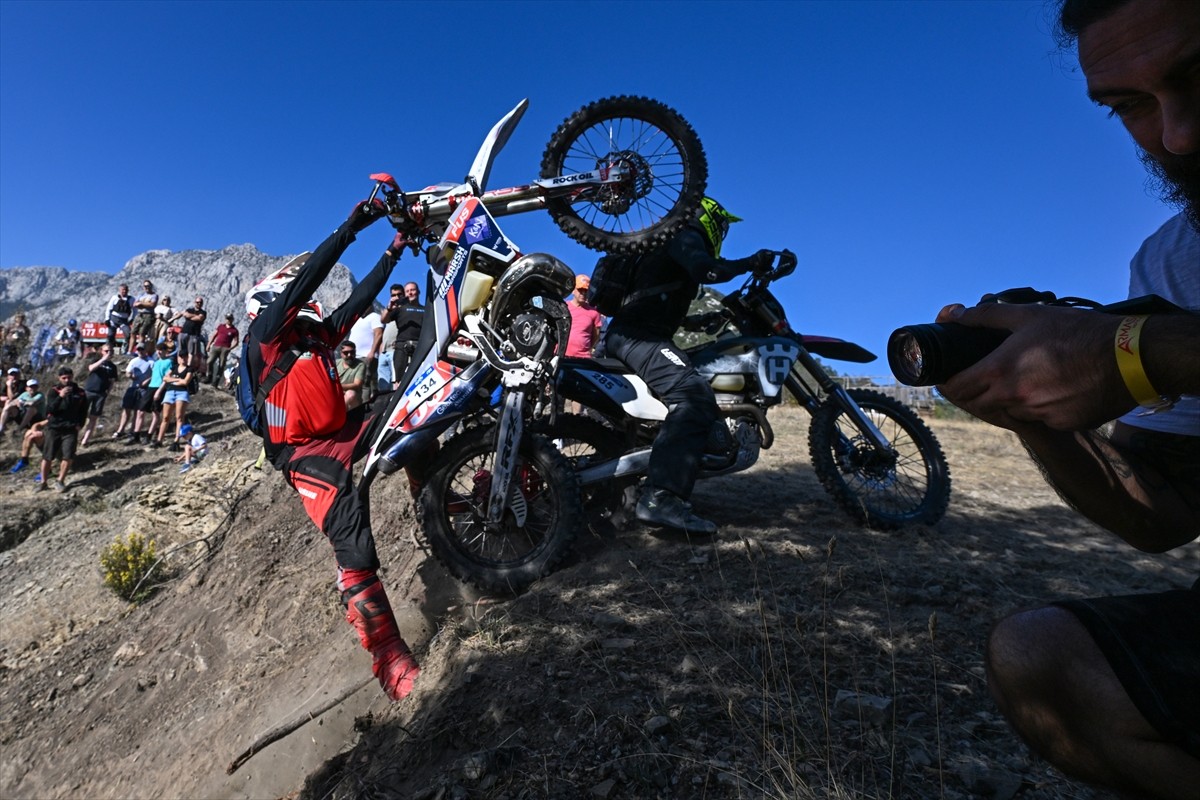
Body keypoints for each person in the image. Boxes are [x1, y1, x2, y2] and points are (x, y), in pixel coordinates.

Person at [932, 2, 1200, 797]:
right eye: (1129, 107)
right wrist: (1030, 408)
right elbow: (1163, 515)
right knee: (1040, 659)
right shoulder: (1175, 261)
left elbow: (1143, 353)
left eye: (1195, 76)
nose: (1177, 135)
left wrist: (1140, 351)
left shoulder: (1155, 323)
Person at [244, 199, 422, 701]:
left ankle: (439, 505)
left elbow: (360, 301)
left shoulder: (313, 335)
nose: (309, 304)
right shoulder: (267, 337)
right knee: (352, 538)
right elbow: (312, 277)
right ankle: (388, 658)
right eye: (293, 296)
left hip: (345, 428)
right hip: (306, 456)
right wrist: (351, 228)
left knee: (417, 402)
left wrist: (393, 251)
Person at [603, 196, 775, 535]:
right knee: (694, 395)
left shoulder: (667, 242)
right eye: (722, 225)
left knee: (690, 380)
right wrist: (749, 263)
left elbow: (656, 303)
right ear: (710, 218)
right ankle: (662, 498)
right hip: (639, 338)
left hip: (633, 335)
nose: (722, 232)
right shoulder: (685, 235)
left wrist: (704, 321)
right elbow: (705, 269)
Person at [38, 366, 88, 493]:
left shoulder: (80, 392)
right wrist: (60, 396)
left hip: (71, 429)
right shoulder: (53, 391)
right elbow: (49, 410)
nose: (66, 380)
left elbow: (83, 411)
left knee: (68, 455)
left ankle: (60, 481)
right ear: (59, 378)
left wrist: (79, 425)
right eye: (64, 378)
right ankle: (43, 482)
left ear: (72, 377)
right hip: (54, 428)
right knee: (47, 456)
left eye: (69, 377)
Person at [381, 281, 425, 390]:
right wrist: (389, 308)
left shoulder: (426, 309)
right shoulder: (399, 309)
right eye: (407, 291)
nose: (410, 293)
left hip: (420, 346)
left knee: (420, 376)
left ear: (418, 292)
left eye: (413, 290)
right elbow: (384, 320)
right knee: (398, 380)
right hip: (401, 347)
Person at [79, 345, 120, 448]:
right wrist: (102, 360)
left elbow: (112, 381)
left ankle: (85, 440)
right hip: (89, 391)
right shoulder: (95, 360)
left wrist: (108, 393)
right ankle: (76, 435)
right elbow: (91, 368)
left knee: (94, 417)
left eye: (110, 351)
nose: (108, 353)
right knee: (81, 414)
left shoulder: (113, 367)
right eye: (106, 351)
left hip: (101, 394)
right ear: (102, 351)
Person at [113, 342, 154, 442]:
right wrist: (130, 375)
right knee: (126, 409)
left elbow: (155, 375)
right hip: (133, 387)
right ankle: (120, 430)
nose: (140, 351)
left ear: (146, 350)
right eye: (138, 349)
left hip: (144, 389)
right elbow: (128, 372)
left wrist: (147, 381)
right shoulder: (134, 361)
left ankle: (134, 431)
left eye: (142, 349)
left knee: (139, 411)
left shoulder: (151, 362)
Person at [156, 350, 193, 449]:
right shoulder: (174, 367)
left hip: (182, 393)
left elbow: (185, 382)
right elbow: (165, 378)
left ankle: (176, 440)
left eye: (185, 357)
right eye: (181, 357)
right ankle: (159, 439)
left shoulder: (189, 369)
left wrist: (172, 379)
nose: (183, 359)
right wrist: (177, 380)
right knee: (165, 417)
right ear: (178, 358)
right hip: (170, 392)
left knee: (179, 417)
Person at [348, 305, 384, 403]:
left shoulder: (374, 317)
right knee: (355, 383)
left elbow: (379, 334)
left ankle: (364, 409)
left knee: (364, 384)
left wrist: (372, 352)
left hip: (366, 356)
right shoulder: (357, 319)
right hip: (354, 357)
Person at [566, 274, 604, 358]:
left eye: (586, 290)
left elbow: (596, 335)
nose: (583, 293)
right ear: (573, 290)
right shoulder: (563, 307)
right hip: (560, 355)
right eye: (580, 289)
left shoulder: (594, 312)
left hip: (582, 358)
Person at [174, 296, 207, 374]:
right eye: (197, 302)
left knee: (191, 352)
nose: (199, 303)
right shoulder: (190, 309)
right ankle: (179, 367)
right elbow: (186, 315)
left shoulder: (203, 312)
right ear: (194, 302)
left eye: (200, 302)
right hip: (183, 332)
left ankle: (187, 369)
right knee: (180, 350)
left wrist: (189, 316)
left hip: (194, 334)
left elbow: (199, 318)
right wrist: (193, 316)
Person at [206, 313, 239, 386]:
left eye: (230, 318)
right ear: (225, 319)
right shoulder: (221, 326)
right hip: (216, 346)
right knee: (209, 361)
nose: (228, 320)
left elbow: (236, 341)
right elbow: (214, 335)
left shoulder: (234, 330)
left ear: (232, 319)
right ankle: (209, 376)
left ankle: (216, 381)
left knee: (221, 365)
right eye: (227, 318)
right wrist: (209, 344)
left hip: (225, 348)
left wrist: (230, 348)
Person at [337, 340, 366, 409]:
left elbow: (357, 384)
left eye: (352, 352)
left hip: (352, 400)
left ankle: (339, 414)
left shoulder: (360, 365)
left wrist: (338, 387)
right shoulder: (336, 363)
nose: (349, 355)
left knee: (350, 394)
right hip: (337, 394)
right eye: (346, 353)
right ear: (341, 353)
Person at [105, 284, 134, 353]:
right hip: (114, 319)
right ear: (120, 290)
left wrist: (132, 318)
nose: (124, 291)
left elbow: (135, 310)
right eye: (123, 290)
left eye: (126, 290)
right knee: (110, 335)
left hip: (124, 320)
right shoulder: (115, 298)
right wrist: (107, 319)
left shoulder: (131, 299)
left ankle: (124, 349)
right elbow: (108, 308)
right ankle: (109, 350)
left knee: (128, 333)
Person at [132, 280, 159, 352]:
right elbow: (135, 304)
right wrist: (146, 303)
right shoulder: (140, 295)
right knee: (133, 332)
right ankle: (129, 350)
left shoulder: (154, 295)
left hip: (148, 315)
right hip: (139, 314)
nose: (147, 287)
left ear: (151, 286)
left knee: (142, 333)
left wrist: (141, 304)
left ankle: (140, 350)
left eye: (148, 286)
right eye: (145, 286)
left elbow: (152, 305)